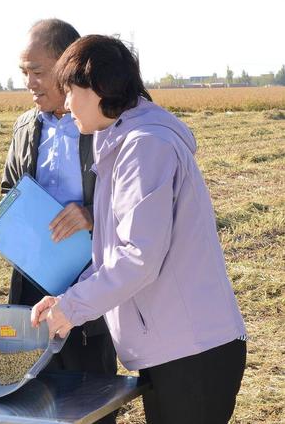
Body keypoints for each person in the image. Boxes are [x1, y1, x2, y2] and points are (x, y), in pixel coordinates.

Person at [32, 35, 247, 424]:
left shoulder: (144, 147)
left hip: (192, 351)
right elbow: (114, 254)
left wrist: (72, 308)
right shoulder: (121, 145)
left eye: (71, 91)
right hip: (175, 347)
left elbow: (138, 258)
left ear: (98, 88)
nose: (66, 104)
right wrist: (65, 301)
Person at [2, 18, 117, 420]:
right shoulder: (25, 127)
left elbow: (129, 204)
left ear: (69, 66)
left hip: (90, 284)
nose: (29, 83)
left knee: (91, 398)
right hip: (33, 284)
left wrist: (91, 216)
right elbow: (10, 189)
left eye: (37, 71)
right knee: (32, 397)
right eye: (24, 72)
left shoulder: (103, 126)